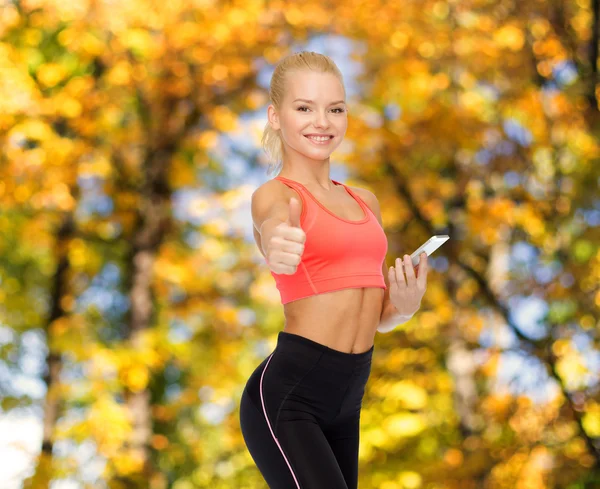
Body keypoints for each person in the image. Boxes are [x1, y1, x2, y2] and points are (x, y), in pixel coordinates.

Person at [239, 51, 428, 489]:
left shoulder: (366, 201)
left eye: (335, 109)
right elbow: (271, 227)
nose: (321, 121)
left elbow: (373, 313)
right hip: (290, 396)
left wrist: (403, 308)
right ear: (275, 116)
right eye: (304, 108)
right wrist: (276, 244)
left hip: (349, 398)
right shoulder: (275, 196)